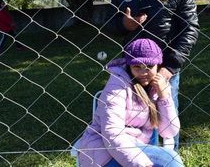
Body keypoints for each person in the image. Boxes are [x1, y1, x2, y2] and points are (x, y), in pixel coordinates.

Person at [104, 0, 199, 151]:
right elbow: (109, 23)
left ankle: (166, 159)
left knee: (166, 121)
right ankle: (141, 161)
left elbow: (190, 28)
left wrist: (168, 69)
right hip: (133, 70)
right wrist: (123, 25)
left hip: (163, 69)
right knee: (134, 123)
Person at [78, 38, 184, 167]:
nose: (143, 73)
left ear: (158, 66)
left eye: (149, 67)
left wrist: (163, 96)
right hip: (103, 151)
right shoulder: (117, 85)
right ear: (129, 66)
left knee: (168, 158)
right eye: (136, 67)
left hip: (137, 147)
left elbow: (169, 132)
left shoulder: (158, 86)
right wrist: (142, 165)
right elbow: (112, 134)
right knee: (168, 159)